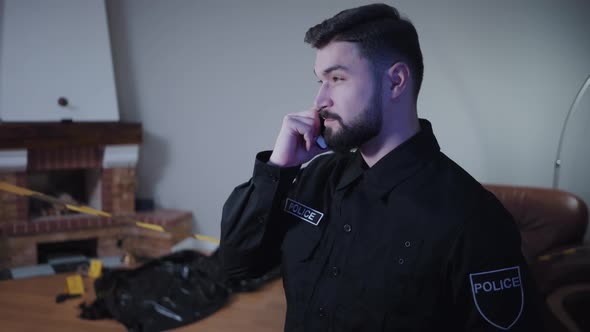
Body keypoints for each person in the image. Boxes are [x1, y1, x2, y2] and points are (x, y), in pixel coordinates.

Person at [219, 3, 544, 331]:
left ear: (395, 82)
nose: (319, 100)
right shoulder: (317, 178)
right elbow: (235, 266)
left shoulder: (473, 220)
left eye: (337, 78)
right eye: (320, 80)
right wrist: (278, 168)